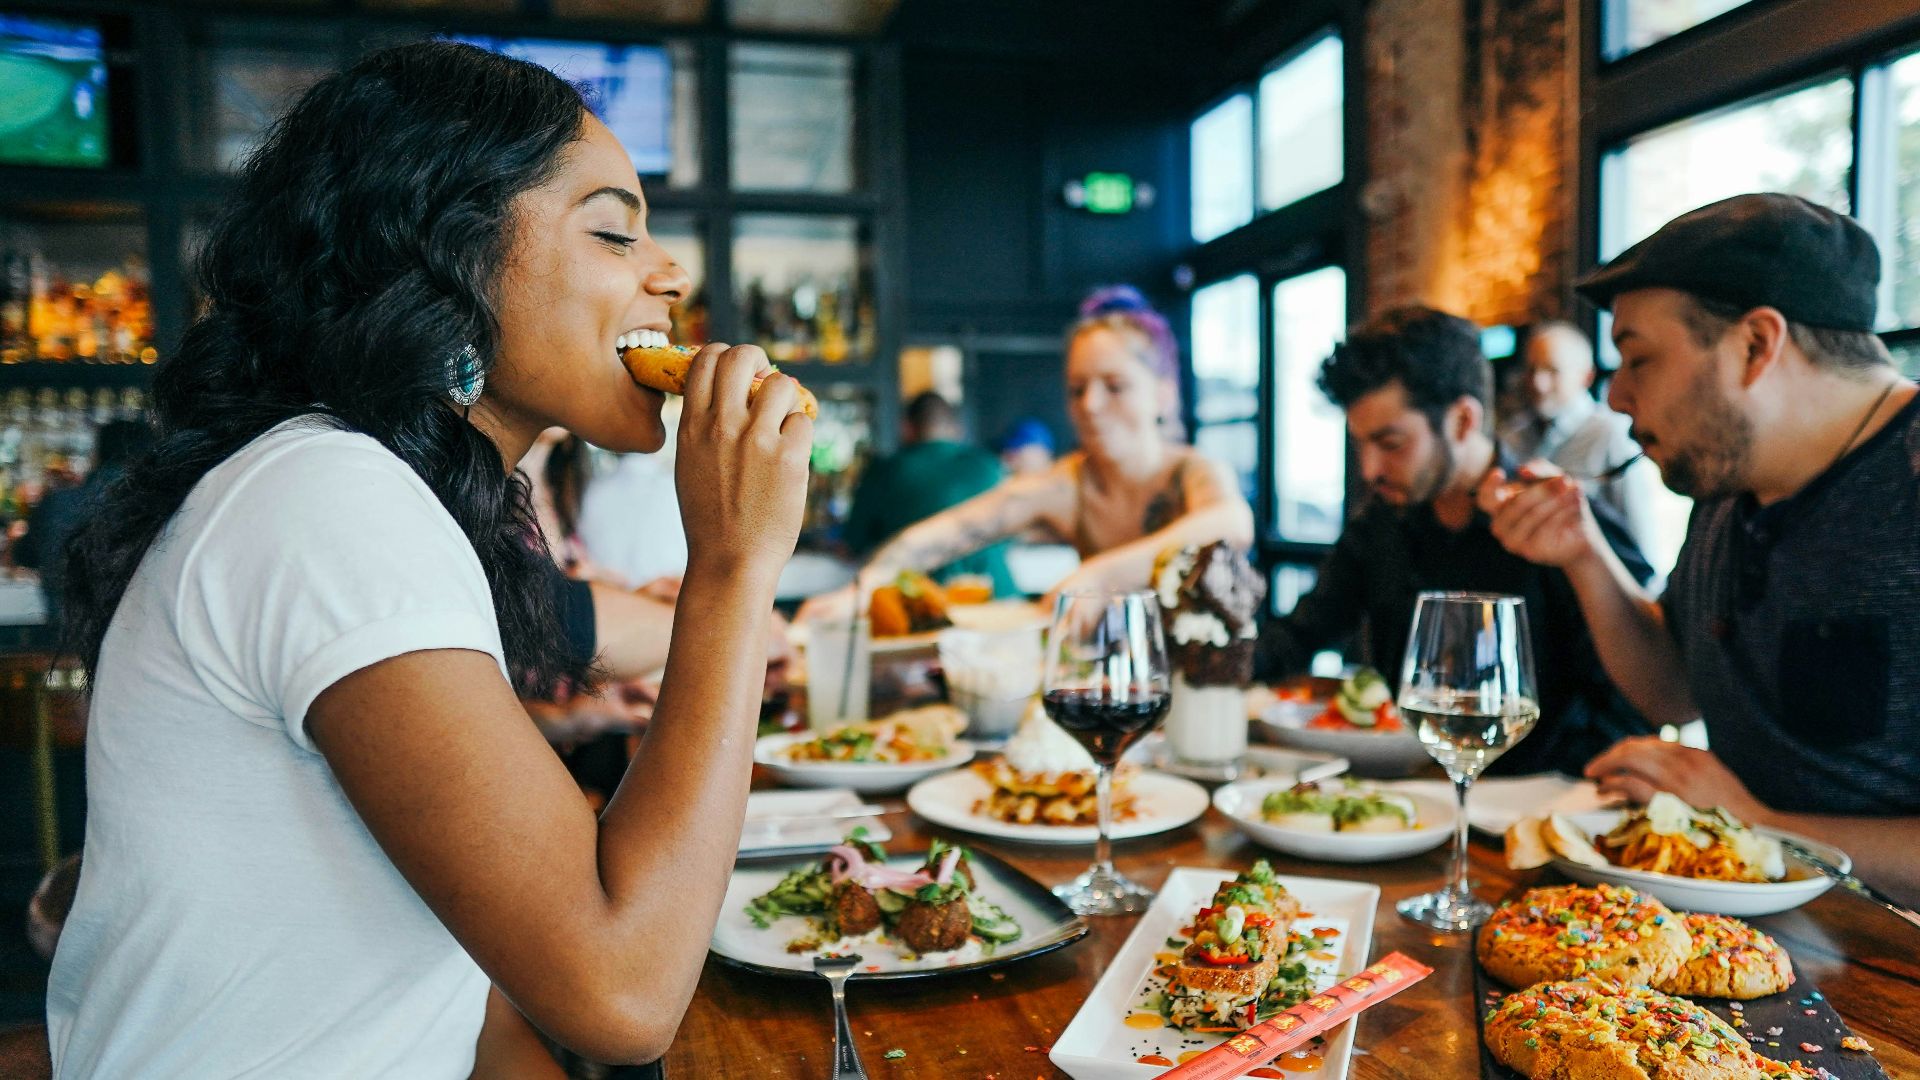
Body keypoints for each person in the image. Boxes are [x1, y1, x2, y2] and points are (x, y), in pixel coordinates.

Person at [45, 41, 812, 1078]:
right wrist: (733, 565)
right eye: (613, 231)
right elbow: (623, 993)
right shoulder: (326, 501)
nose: (671, 273)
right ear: (447, 256)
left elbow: (463, 997)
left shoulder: (387, 497)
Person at [1482, 193, 1920, 901]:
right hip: (1749, 932)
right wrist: (1583, 554)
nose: (1617, 397)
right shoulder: (1729, 485)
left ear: (1756, 345)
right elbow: (1673, 687)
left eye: (1638, 359)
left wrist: (1758, 824)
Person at [1255, 305, 1654, 777]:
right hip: (1410, 797)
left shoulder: (1560, 522)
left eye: (1391, 443)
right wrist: (1204, 654)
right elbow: (1298, 636)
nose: (1369, 470)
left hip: (1536, 811)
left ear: (1463, 420)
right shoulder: (1380, 525)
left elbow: (1637, 703)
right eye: (1360, 444)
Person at [798, 285, 1252, 616]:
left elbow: (1230, 523)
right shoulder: (1068, 484)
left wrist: (1097, 577)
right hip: (1115, 689)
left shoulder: (1193, 471)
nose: (1090, 405)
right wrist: (861, 591)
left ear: (1164, 395)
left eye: (1114, 386)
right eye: (1077, 389)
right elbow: (947, 533)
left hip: (1208, 696)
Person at [1499, 321, 1667, 568]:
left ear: (1585, 376)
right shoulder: (1512, 435)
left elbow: (1640, 539)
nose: (1538, 383)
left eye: (1552, 371)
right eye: (1532, 370)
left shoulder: (1611, 435)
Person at [842, 391, 1013, 595]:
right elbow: (1010, 535)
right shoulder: (990, 465)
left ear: (906, 427)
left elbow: (853, 544)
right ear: (955, 427)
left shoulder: (884, 471)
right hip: (999, 599)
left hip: (921, 604)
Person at [11, 420, 153, 633]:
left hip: (63, 640)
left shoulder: (56, 503)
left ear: (97, 455)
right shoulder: (157, 507)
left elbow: (24, 555)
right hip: (137, 641)